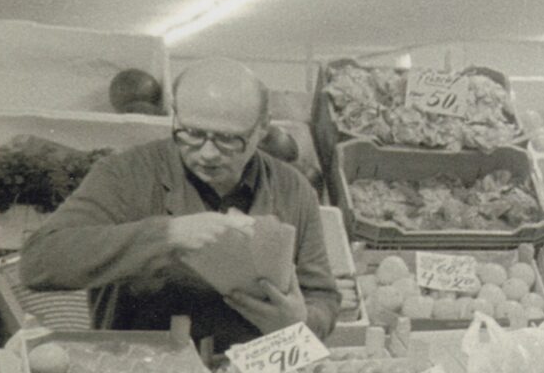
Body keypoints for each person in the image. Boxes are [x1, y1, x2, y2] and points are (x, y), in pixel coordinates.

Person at [20, 58, 337, 351]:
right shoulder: (125, 174)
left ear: (263, 128)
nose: (208, 154)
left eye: (229, 139)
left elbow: (323, 296)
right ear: (176, 115)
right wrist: (167, 235)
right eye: (192, 133)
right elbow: (39, 261)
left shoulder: (294, 190)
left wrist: (301, 322)